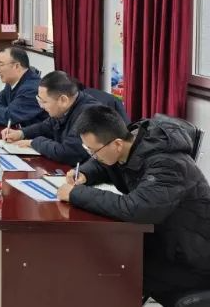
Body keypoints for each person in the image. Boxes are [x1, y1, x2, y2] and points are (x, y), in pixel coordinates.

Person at [58, 106, 210, 307]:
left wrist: (76, 194)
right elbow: (105, 163)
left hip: (191, 258)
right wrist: (85, 173)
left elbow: (138, 209)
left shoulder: (168, 164)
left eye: (93, 151)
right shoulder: (131, 144)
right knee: (94, 255)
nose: (92, 156)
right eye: (88, 150)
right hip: (163, 241)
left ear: (117, 144)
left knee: (109, 272)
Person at [0, 71, 99, 166]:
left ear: (63, 100)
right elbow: (47, 126)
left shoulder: (89, 115)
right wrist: (21, 133)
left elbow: (68, 153)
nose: (41, 106)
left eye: (44, 102)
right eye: (39, 100)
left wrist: (33, 142)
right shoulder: (67, 106)